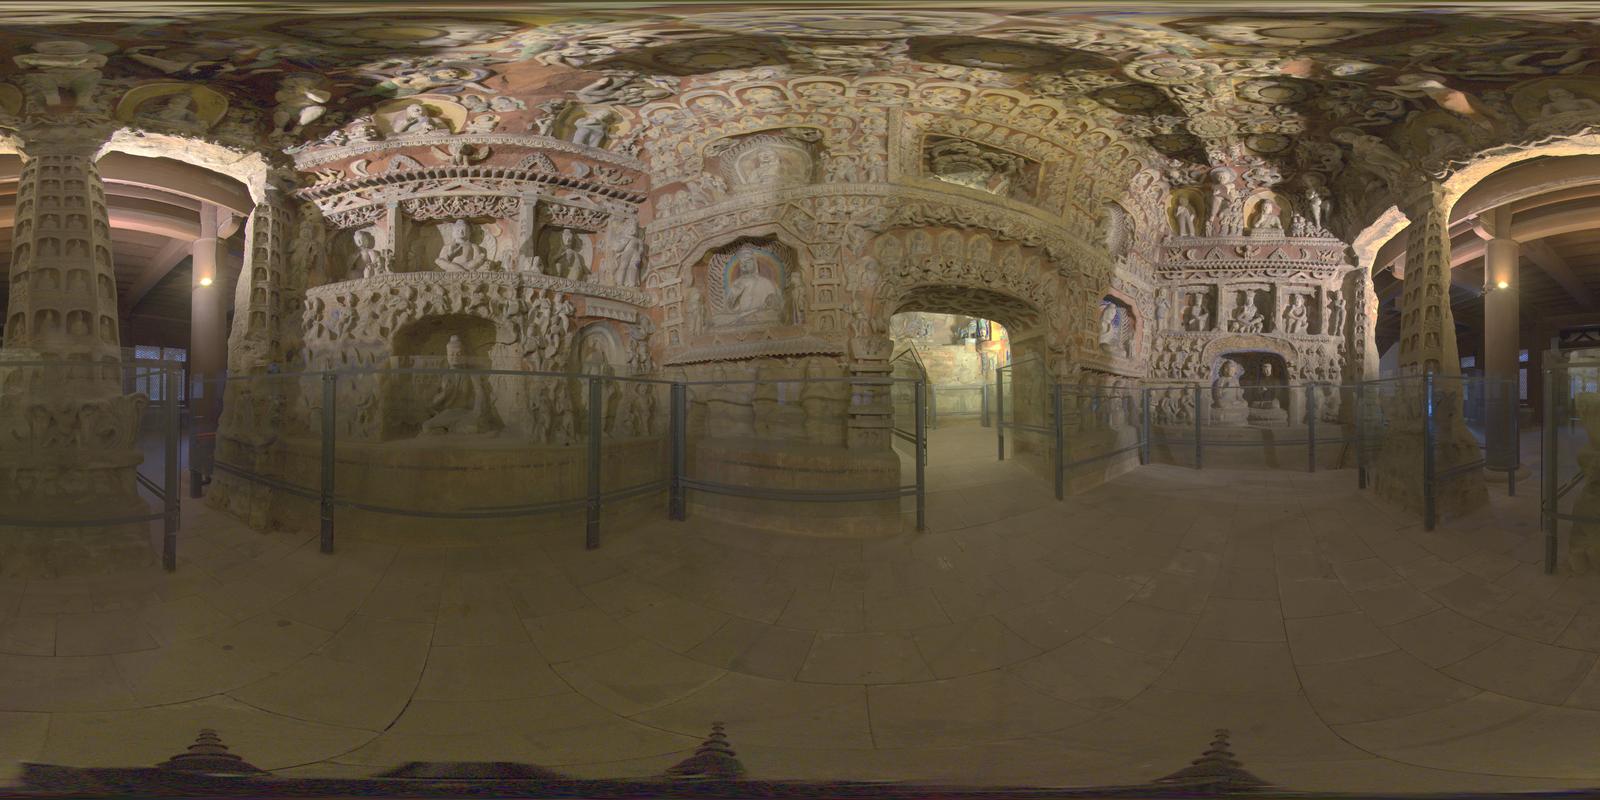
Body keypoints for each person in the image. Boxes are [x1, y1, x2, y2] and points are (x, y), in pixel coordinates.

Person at [724, 249, 779, 318]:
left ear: (754, 263)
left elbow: (774, 305)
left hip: (761, 318)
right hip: (743, 319)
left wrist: (771, 302)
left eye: (747, 262)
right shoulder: (738, 283)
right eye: (742, 263)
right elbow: (730, 307)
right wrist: (735, 294)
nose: (744, 265)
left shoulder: (765, 283)